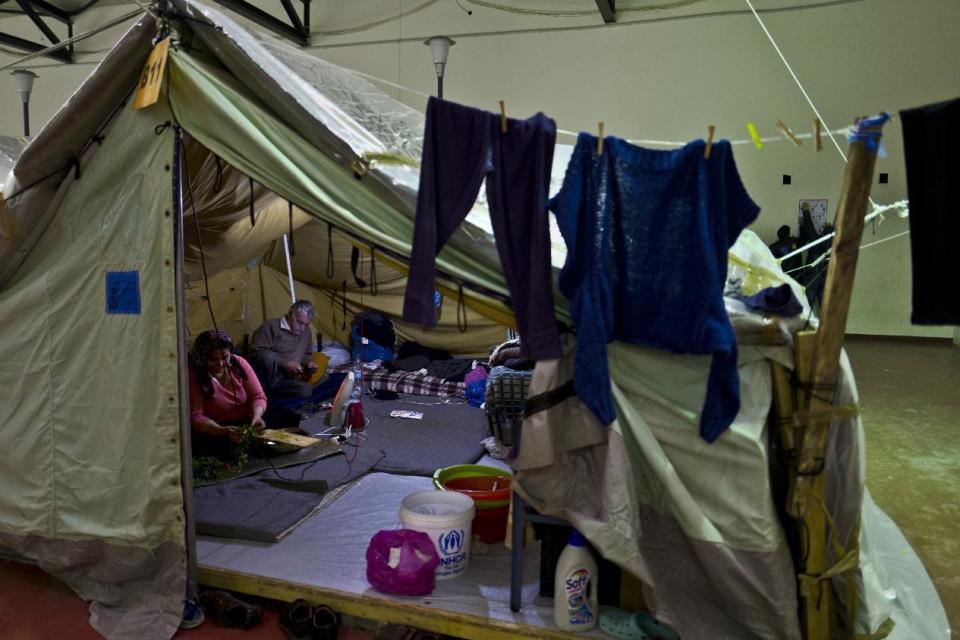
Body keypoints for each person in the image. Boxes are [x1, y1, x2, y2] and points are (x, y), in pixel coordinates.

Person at [188, 330, 267, 449]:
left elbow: (258, 396)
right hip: (216, 427)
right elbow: (197, 416)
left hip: (245, 421)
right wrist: (222, 431)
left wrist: (257, 416)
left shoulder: (239, 363)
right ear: (203, 358)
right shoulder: (195, 374)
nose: (220, 364)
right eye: (213, 359)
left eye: (225, 357)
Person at [249, 300, 319, 399]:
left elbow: (306, 355)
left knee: (306, 390)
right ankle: (259, 392)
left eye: (306, 324)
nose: (302, 328)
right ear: (291, 314)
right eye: (299, 322)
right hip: (265, 377)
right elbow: (257, 352)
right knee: (267, 356)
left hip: (285, 380)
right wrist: (285, 364)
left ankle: (265, 394)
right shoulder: (270, 326)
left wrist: (309, 364)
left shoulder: (306, 333)